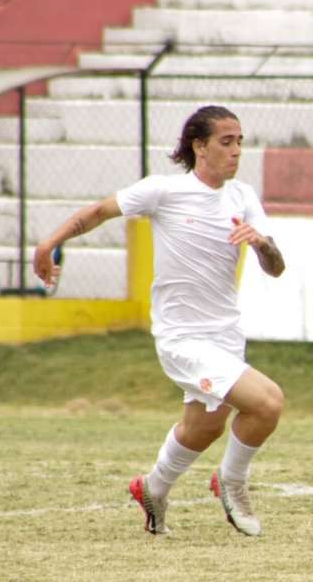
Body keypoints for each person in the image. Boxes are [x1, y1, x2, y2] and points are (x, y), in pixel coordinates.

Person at [33, 106, 285, 537]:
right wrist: (49, 242)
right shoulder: (164, 191)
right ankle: (231, 481)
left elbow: (275, 267)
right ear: (199, 146)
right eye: (227, 141)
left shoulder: (242, 197)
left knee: (203, 427)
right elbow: (98, 212)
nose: (236, 150)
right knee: (267, 402)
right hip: (182, 337)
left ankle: (153, 487)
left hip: (225, 333)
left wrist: (262, 244)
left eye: (240, 141)